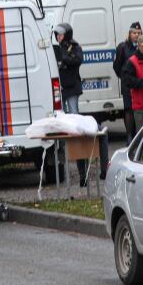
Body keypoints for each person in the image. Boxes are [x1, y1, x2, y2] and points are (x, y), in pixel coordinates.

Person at [54, 23, 87, 184]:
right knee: (63, 116)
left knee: (74, 115)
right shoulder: (56, 47)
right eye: (57, 34)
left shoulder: (74, 46)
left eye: (60, 34)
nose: (58, 37)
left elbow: (78, 60)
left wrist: (65, 60)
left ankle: (76, 138)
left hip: (72, 86)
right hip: (61, 87)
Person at [113, 22, 142, 142]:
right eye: (134, 33)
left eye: (139, 33)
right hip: (128, 84)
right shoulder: (122, 47)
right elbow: (116, 66)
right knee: (129, 109)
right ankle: (130, 136)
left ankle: (140, 136)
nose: (136, 35)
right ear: (130, 34)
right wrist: (124, 78)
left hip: (140, 83)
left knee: (139, 110)